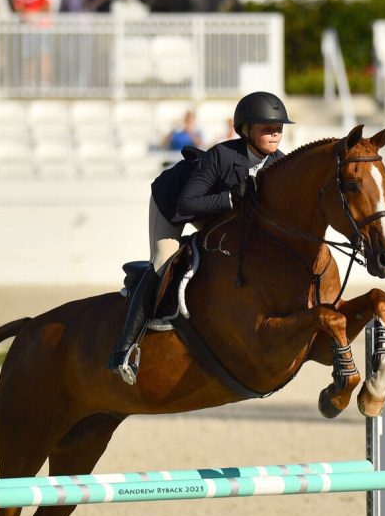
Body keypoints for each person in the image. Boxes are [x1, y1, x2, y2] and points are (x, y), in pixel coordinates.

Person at [107, 91, 295, 384]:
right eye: (267, 129)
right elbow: (187, 205)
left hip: (217, 213)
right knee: (164, 262)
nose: (275, 135)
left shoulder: (281, 166)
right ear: (245, 130)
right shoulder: (222, 156)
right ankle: (123, 350)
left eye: (278, 129)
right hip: (173, 202)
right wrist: (233, 197)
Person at [13, 0, 52, 84]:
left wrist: (32, 14)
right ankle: (29, 83)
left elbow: (47, 6)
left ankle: (44, 82)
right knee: (28, 56)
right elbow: (18, 6)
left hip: (42, 27)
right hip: (28, 28)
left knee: (43, 55)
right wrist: (29, 15)